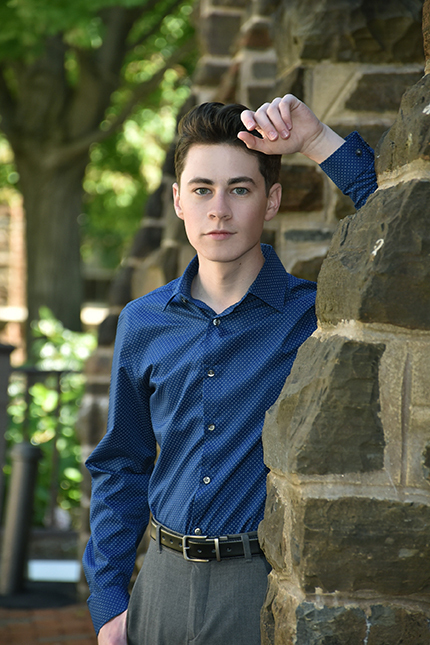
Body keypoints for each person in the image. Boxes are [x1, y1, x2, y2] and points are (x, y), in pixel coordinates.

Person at [83, 94, 377, 645]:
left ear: (272, 201)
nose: (219, 208)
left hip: (259, 587)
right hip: (159, 588)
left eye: (240, 189)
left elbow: (408, 224)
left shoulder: (314, 316)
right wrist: (109, 602)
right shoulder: (142, 321)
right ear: (178, 201)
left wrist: (316, 142)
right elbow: (123, 464)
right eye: (202, 189)